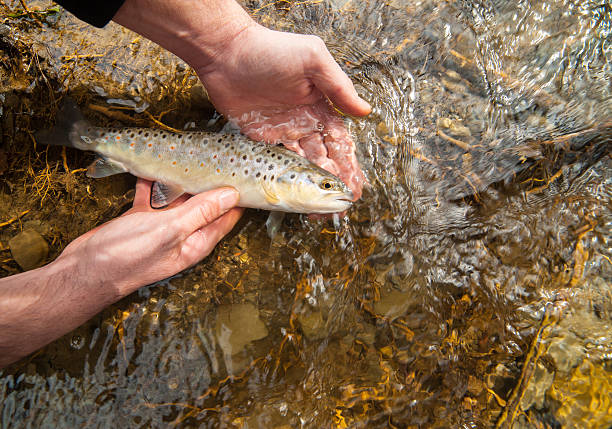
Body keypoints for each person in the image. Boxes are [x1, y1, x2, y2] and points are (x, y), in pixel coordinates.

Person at [0, 0, 371, 368]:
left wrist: (232, 44)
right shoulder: (274, 180)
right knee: (106, 143)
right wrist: (94, 277)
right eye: (324, 186)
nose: (334, 194)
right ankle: (86, 137)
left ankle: (94, 140)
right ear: (282, 181)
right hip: (166, 157)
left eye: (325, 187)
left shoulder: (282, 177)